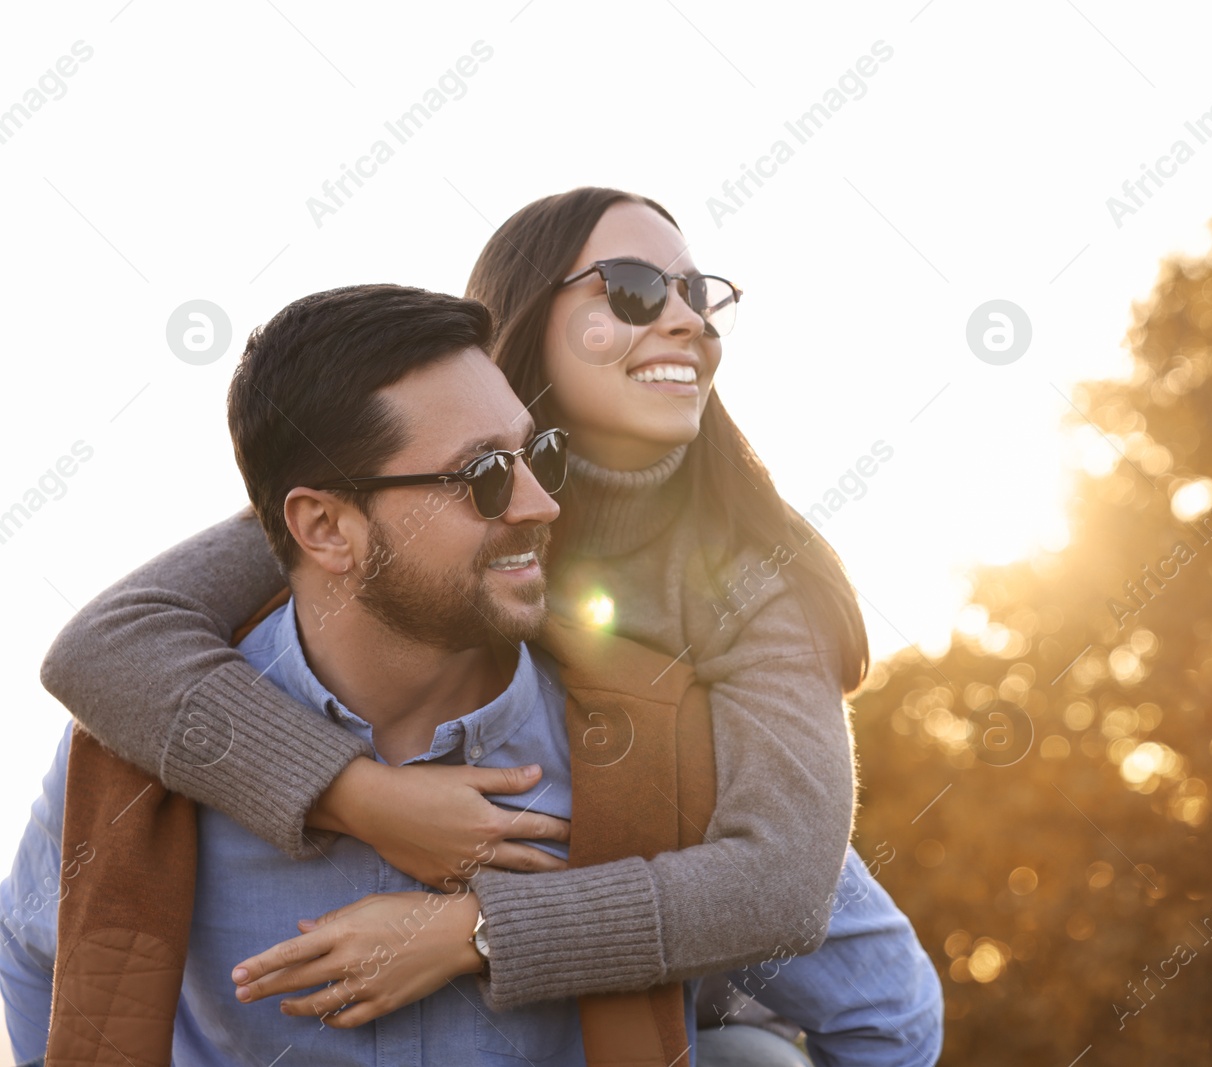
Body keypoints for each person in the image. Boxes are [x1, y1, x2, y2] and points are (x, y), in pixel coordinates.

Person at [1, 284, 942, 1066]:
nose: (539, 503)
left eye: (538, 454)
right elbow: (35, 959)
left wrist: (488, 930)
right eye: (484, 474)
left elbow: (887, 1015)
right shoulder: (132, 763)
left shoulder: (657, 754)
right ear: (325, 527)